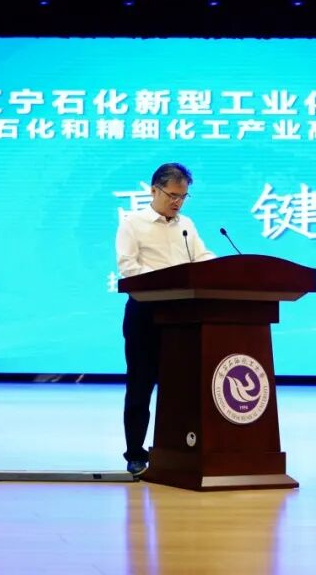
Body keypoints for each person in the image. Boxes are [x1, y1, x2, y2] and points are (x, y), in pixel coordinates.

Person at [116, 162, 215, 477]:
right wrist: (168, 281)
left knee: (182, 388)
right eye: (172, 195)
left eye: (183, 196)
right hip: (145, 314)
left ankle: (179, 450)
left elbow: (201, 257)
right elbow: (128, 267)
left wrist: (220, 269)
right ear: (154, 190)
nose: (178, 202)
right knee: (141, 386)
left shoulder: (187, 224)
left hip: (183, 317)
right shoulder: (132, 223)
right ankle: (135, 454)